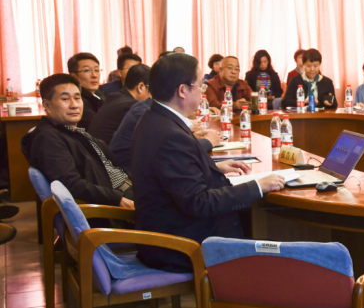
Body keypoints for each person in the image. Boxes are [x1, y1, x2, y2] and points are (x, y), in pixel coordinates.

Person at [131, 53, 287, 273]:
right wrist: (258, 185)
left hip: (170, 227)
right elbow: (199, 202)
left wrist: (212, 167)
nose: (202, 91)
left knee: (257, 221)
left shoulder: (154, 118)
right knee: (276, 238)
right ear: (182, 90)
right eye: (200, 86)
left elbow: (173, 173)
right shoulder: (169, 135)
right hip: (181, 244)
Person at [21, 74, 133, 208]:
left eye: (77, 98)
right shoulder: (49, 139)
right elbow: (71, 184)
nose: (74, 105)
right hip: (115, 203)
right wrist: (118, 200)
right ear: (47, 105)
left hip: (127, 190)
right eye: (65, 99)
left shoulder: (71, 131)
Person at [110, 98, 220, 175]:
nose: (201, 95)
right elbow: (178, 151)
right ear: (181, 91)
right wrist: (208, 142)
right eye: (198, 86)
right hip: (128, 176)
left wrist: (193, 137)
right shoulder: (145, 114)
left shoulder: (152, 110)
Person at [88, 64, 151, 145]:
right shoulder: (132, 106)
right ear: (141, 87)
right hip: (105, 152)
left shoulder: (115, 97)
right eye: (152, 89)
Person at [67, 53, 104, 129]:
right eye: (87, 70)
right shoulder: (78, 102)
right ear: (74, 76)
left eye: (96, 70)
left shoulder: (100, 94)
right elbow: (99, 127)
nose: (94, 75)